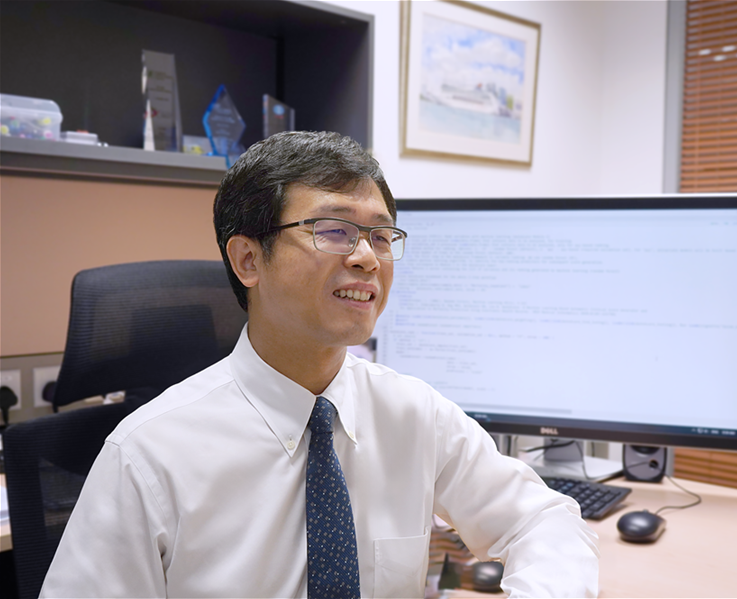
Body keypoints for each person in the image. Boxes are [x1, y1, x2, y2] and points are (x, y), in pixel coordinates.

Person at [40, 131, 601, 598]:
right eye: (334, 231)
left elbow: (542, 519)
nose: (366, 257)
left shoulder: (412, 413)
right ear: (248, 259)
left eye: (381, 237)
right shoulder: (148, 455)